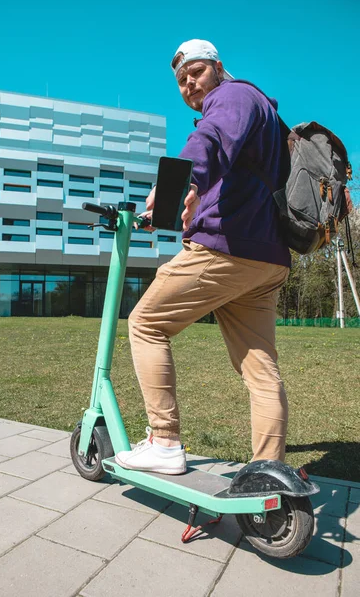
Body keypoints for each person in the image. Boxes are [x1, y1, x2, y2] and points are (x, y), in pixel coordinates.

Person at [115, 39, 291, 475]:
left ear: (218, 67)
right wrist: (188, 202)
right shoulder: (266, 114)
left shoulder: (232, 96)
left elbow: (210, 138)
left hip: (226, 248)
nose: (190, 82)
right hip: (267, 257)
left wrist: (183, 183)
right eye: (181, 79)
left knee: (146, 324)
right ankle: (269, 473)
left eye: (196, 71)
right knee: (260, 368)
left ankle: (165, 441)